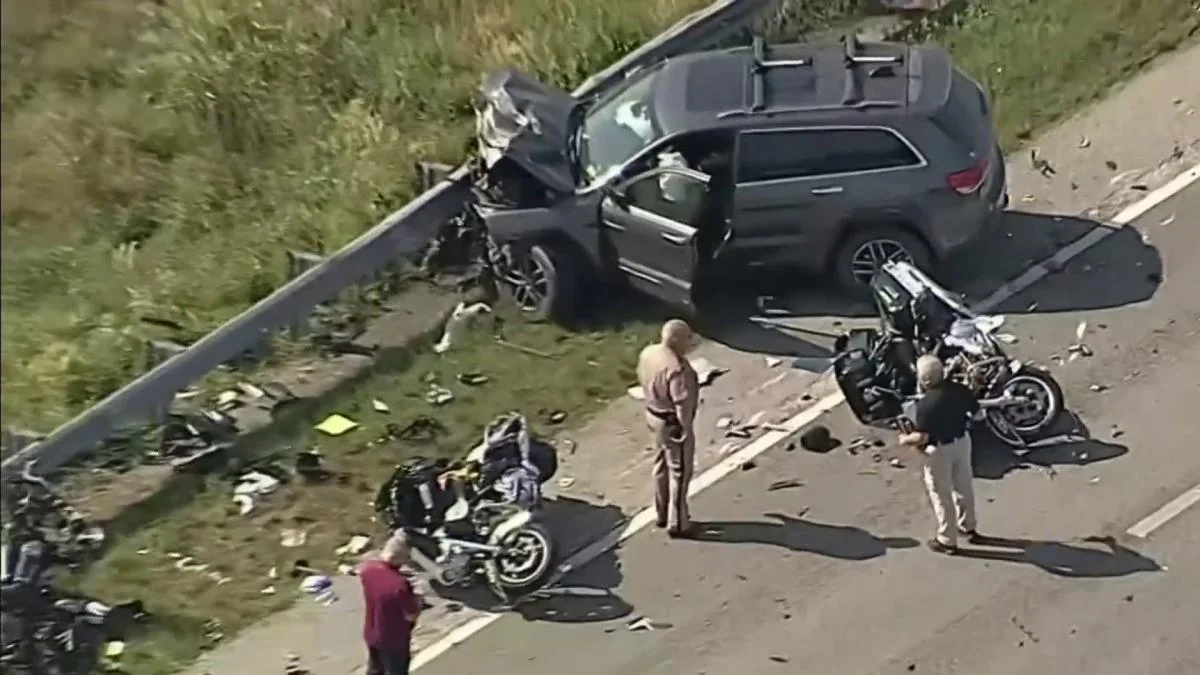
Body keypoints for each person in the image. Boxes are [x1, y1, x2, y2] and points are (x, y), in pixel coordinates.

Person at [898, 355, 982, 554]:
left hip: (939, 451)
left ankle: (947, 539)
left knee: (941, 494)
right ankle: (968, 527)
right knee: (964, 487)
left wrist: (904, 439)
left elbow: (922, 437)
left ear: (924, 380)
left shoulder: (926, 405)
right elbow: (978, 414)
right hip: (962, 442)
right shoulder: (960, 390)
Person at [637, 319, 701, 538]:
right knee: (680, 473)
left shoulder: (648, 353)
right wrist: (686, 431)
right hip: (672, 423)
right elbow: (682, 403)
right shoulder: (677, 369)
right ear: (676, 340)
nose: (690, 343)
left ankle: (661, 512)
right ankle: (679, 522)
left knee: (660, 466)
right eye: (687, 339)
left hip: (652, 414)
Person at [359, 532, 422, 674]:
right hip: (394, 639)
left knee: (375, 669)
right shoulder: (399, 585)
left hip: (371, 632)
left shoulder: (368, 570)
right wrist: (417, 597)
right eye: (405, 558)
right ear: (398, 557)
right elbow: (411, 614)